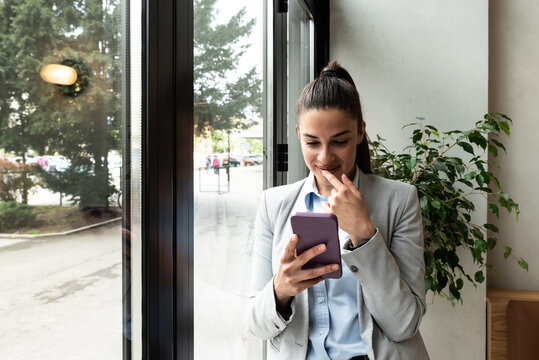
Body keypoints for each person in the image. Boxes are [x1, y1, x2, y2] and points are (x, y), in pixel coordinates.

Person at [246, 61, 429, 360]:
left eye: (339, 141)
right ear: (298, 134)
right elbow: (255, 325)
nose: (324, 156)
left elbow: (404, 325)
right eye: (311, 142)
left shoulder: (400, 201)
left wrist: (364, 235)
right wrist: (281, 289)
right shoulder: (273, 205)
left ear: (360, 132)